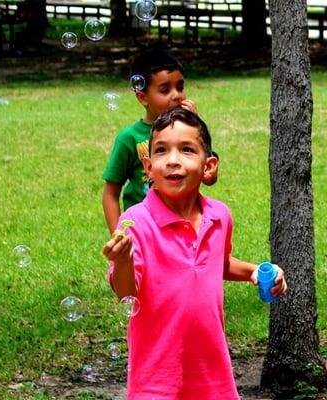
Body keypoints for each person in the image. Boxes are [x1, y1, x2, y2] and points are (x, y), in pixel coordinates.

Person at [103, 108, 287, 399]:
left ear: (208, 166)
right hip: (156, 380)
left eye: (187, 150)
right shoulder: (137, 221)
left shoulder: (219, 216)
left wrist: (253, 270)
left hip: (212, 376)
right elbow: (127, 291)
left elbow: (218, 263)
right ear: (149, 168)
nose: (173, 160)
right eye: (161, 151)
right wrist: (122, 260)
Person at [102, 49, 205, 234]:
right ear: (142, 97)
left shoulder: (191, 133)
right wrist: (118, 234)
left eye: (180, 87)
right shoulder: (129, 138)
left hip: (183, 228)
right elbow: (110, 192)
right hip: (144, 231)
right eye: (165, 90)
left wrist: (196, 128)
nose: (177, 95)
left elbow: (209, 176)